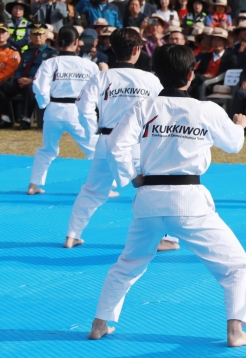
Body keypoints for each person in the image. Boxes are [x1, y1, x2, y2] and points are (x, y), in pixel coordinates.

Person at [88, 43, 246, 347]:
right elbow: (233, 145)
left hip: (148, 198)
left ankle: (100, 323)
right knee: (237, 266)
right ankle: (235, 331)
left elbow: (116, 147)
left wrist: (131, 177)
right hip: (189, 201)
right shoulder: (206, 110)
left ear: (156, 73)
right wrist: (239, 126)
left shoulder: (143, 107)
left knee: (128, 263)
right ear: (192, 74)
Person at [66, 28, 179, 250]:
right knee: (152, 189)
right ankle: (164, 238)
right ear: (137, 50)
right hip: (138, 143)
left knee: (92, 191)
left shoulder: (101, 77)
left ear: (113, 50)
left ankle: (72, 234)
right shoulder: (151, 80)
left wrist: (93, 130)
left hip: (106, 140)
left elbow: (83, 107)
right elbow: (165, 110)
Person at [28, 26, 99, 195]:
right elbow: (96, 90)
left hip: (54, 110)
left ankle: (33, 185)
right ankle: (103, 186)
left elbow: (39, 86)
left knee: (47, 149)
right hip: (78, 111)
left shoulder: (50, 63)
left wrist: (44, 104)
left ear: (59, 43)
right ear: (76, 43)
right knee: (94, 147)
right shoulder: (89, 65)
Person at [0, 24, 57, 129]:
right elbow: (19, 69)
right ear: (30, 37)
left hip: (38, 83)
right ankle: (5, 118)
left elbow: (52, 73)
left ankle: (25, 119)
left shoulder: (51, 53)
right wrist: (18, 78)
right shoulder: (27, 52)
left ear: (46, 36)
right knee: (3, 86)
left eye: (40, 34)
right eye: (34, 34)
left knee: (30, 87)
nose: (37, 37)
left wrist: (32, 80)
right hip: (22, 81)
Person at [191, 28, 237, 98]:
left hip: (217, 82)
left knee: (197, 86)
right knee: (191, 84)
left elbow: (229, 73)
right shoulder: (206, 56)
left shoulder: (231, 57)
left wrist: (212, 76)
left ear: (224, 42)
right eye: (214, 39)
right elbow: (199, 70)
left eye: (220, 40)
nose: (216, 42)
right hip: (201, 80)